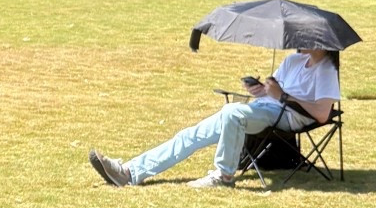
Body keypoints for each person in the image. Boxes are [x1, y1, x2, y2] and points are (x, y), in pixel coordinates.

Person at [90, 47, 341, 189]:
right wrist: (261, 90)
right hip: (264, 109)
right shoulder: (294, 60)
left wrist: (283, 96)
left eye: (304, 35)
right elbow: (271, 91)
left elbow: (321, 114)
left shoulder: (326, 69)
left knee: (231, 112)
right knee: (191, 133)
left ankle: (224, 176)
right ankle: (129, 172)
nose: (298, 39)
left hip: (287, 117)